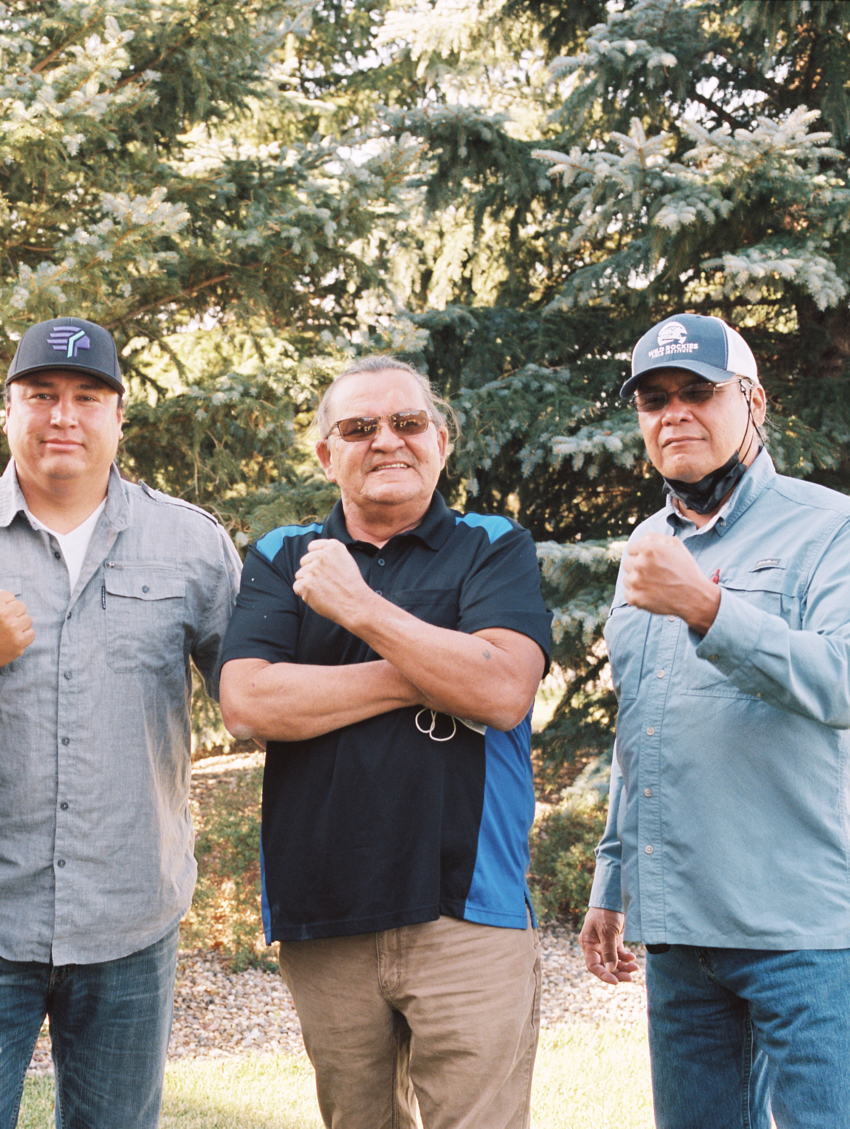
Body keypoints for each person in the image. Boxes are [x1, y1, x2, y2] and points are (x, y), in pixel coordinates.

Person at [0, 315, 242, 1129]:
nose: (63, 416)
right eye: (41, 395)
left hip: (131, 917)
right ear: (7, 411)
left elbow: (256, 697)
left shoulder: (193, 546)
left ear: (119, 415)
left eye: (87, 397)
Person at [218, 356, 553, 1129]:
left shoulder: (492, 545)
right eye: (360, 427)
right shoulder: (282, 554)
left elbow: (503, 691)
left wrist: (359, 610)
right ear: (326, 454)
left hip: (468, 910)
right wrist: (431, 668)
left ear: (440, 440)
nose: (387, 442)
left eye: (407, 423)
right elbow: (248, 700)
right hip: (325, 909)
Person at [580, 313, 850, 1129]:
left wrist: (708, 608)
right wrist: (613, 880)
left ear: (752, 401)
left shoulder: (836, 527)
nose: (673, 412)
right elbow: (639, 726)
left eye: (698, 391)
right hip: (681, 935)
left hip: (806, 930)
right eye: (653, 399)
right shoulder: (648, 542)